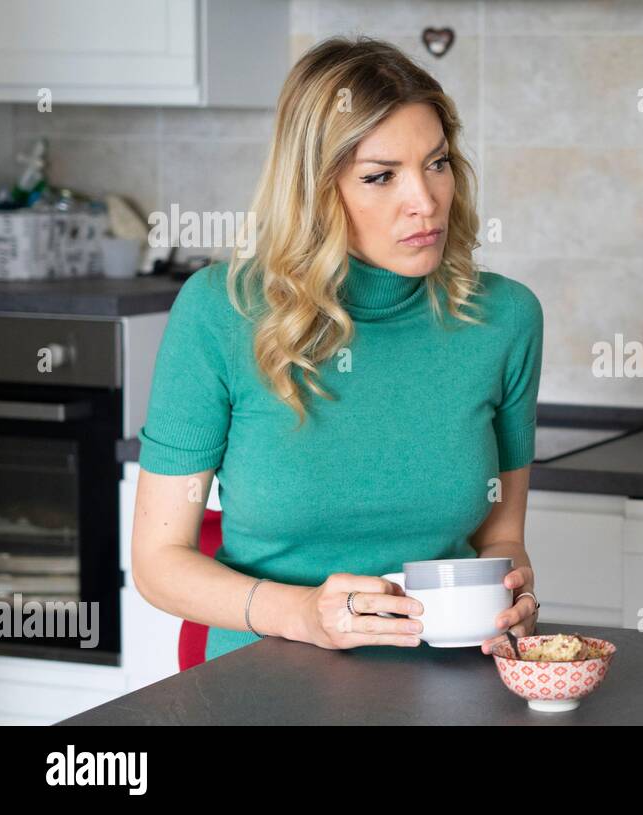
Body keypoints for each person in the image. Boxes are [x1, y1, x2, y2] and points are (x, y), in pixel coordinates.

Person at [132, 37, 543, 661]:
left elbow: (502, 536)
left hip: (451, 688)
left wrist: (513, 591)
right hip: (264, 683)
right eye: (380, 177)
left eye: (437, 163)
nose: (425, 201)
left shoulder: (505, 319)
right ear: (313, 190)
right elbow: (159, 562)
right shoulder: (221, 312)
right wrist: (302, 613)